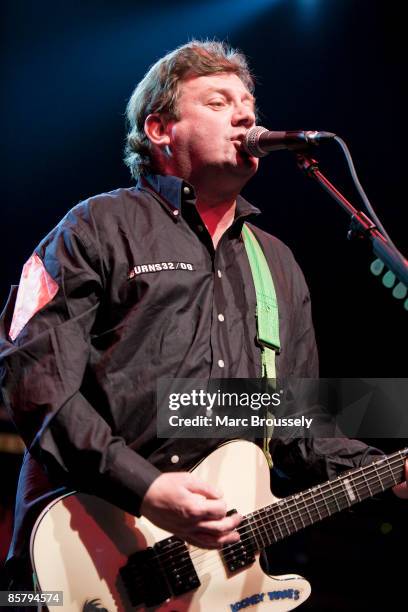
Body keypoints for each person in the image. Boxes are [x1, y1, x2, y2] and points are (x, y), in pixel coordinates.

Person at [0, 40, 407, 596]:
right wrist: (145, 488)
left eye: (249, 106)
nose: (245, 116)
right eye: (219, 102)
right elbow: (35, 381)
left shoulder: (277, 266)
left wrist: (391, 473)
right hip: (75, 562)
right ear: (160, 129)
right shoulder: (93, 228)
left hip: (210, 585)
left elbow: (297, 428)